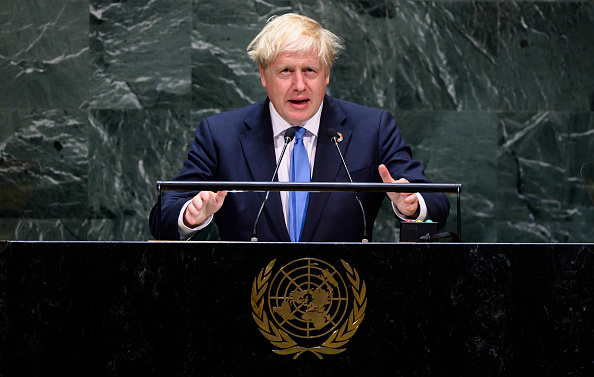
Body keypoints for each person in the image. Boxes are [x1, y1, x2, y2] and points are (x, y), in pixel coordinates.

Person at [149, 13, 449, 242]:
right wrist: (190, 215)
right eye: (286, 71)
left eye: (309, 71)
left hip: (344, 302)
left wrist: (412, 205)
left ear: (326, 74)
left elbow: (435, 201)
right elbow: (163, 213)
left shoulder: (372, 128)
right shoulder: (221, 135)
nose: (299, 85)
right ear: (264, 75)